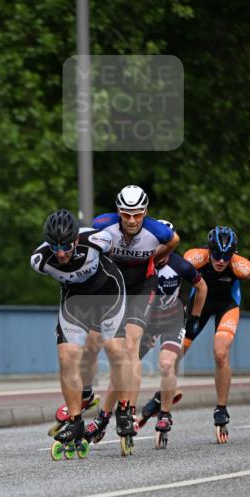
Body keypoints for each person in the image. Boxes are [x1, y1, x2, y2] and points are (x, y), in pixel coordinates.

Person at [83, 186, 180, 445]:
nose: (132, 220)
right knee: (96, 344)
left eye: (137, 214)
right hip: (114, 287)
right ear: (118, 211)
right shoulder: (102, 224)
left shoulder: (157, 231)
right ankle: (91, 401)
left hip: (142, 287)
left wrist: (155, 258)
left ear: (145, 212)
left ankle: (128, 410)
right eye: (126, 214)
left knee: (131, 347)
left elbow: (174, 241)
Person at [30, 209, 129, 457]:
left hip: (109, 293)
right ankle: (75, 422)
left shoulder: (97, 239)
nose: (60, 253)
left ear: (75, 240)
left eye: (66, 246)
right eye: (54, 247)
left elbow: (114, 253)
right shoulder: (40, 260)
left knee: (115, 350)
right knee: (67, 358)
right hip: (75, 301)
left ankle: (125, 408)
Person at [182, 226, 250, 441]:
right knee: (176, 353)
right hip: (200, 305)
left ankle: (221, 409)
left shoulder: (243, 268)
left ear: (234, 253)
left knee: (221, 353)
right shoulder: (195, 258)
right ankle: (162, 398)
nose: (221, 261)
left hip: (227, 306)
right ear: (209, 250)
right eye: (216, 255)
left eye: (227, 256)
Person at [137, 221, 207, 445]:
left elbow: (202, 287)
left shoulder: (181, 265)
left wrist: (194, 317)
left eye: (164, 244)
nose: (160, 249)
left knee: (167, 364)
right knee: (127, 362)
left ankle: (165, 414)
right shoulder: (139, 264)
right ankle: (123, 410)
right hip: (147, 321)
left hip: (172, 320)